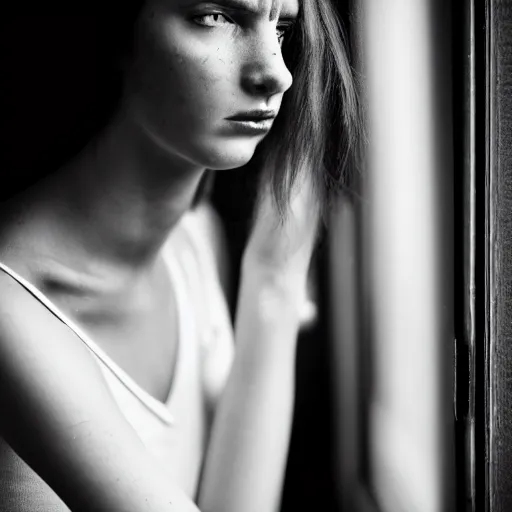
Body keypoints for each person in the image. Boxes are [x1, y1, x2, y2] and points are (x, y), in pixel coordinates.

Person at [0, 1, 360, 511]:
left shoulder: (194, 246)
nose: (276, 74)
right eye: (215, 17)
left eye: (281, 29)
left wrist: (275, 284)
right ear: (118, 32)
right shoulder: (11, 310)